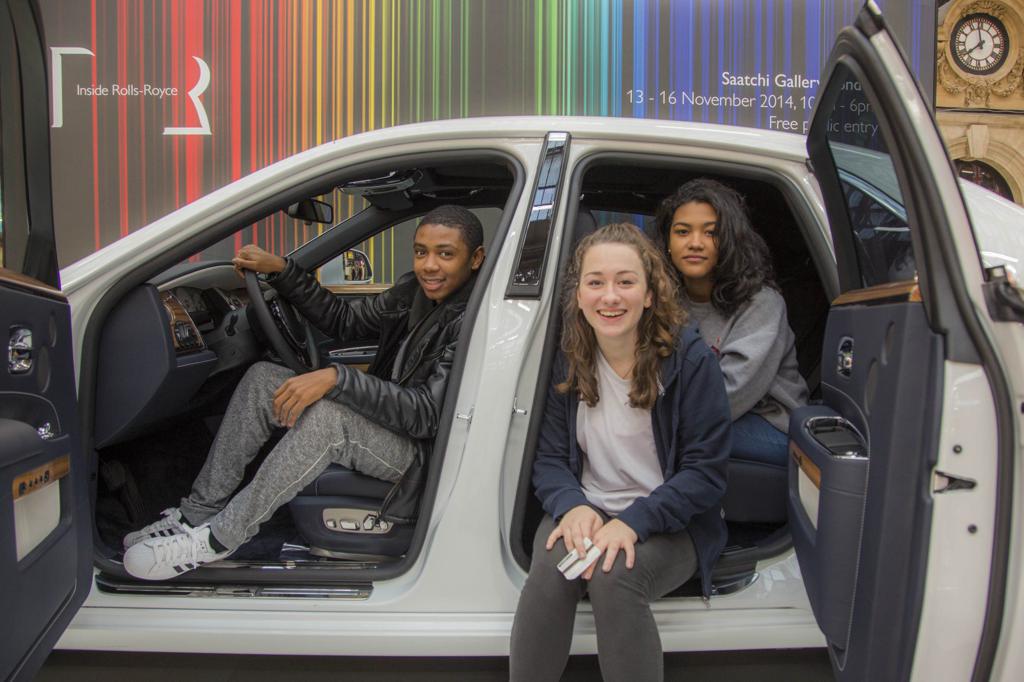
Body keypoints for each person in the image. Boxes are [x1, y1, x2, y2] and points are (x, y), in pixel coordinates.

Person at [122, 204, 485, 580]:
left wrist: (338, 379)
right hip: (398, 424)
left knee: (329, 419)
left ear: (475, 258)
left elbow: (427, 415)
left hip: (425, 453)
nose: (429, 265)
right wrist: (283, 271)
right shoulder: (416, 291)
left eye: (445, 254)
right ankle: (196, 512)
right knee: (264, 378)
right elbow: (346, 321)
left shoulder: (473, 317)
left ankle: (218, 539)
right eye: (421, 252)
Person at [509, 223, 730, 682]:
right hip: (590, 508)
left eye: (625, 282)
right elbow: (549, 459)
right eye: (596, 282)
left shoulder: (690, 360)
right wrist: (572, 505)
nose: (610, 296)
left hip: (670, 521)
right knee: (549, 573)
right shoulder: (568, 357)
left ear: (649, 294)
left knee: (615, 575)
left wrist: (633, 522)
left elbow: (705, 474)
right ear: (579, 295)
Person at [655, 178, 807, 471]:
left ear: (730, 241)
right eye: (682, 231)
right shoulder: (665, 299)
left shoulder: (761, 302)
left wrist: (653, 417)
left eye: (711, 233)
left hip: (768, 422)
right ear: (668, 243)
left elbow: (730, 396)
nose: (695, 243)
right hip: (697, 412)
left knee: (657, 439)